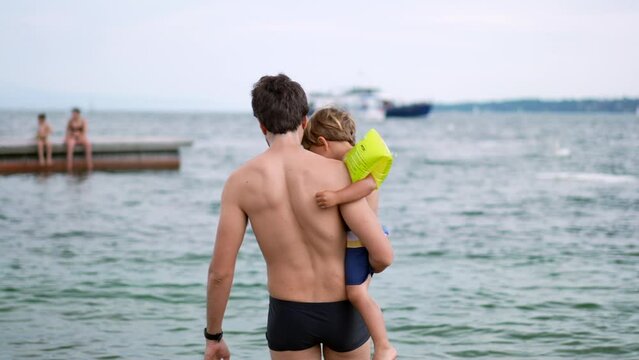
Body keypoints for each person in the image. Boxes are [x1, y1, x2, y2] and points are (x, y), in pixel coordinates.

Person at [204, 74, 394, 360]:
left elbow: (220, 273)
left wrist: (214, 336)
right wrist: (365, 277)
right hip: (343, 308)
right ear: (304, 121)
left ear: (262, 125)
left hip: (288, 314)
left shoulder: (239, 182)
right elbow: (381, 254)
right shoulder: (339, 173)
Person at [302, 108, 396, 359]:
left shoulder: (354, 163)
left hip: (362, 242)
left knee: (357, 293)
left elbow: (369, 184)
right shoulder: (352, 160)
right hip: (360, 239)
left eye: (311, 153)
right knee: (358, 293)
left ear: (322, 144)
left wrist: (336, 197)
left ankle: (384, 345)